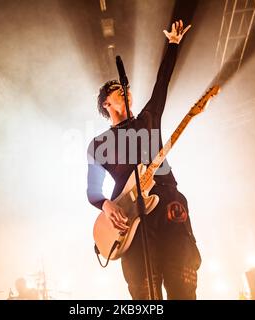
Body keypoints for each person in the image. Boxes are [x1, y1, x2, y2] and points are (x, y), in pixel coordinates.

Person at [87, 20, 201, 300]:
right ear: (106, 103)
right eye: (117, 89)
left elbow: (162, 85)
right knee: (144, 292)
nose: (124, 90)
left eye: (125, 88)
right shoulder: (98, 144)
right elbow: (92, 190)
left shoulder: (148, 120)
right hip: (131, 219)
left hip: (168, 203)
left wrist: (173, 45)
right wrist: (106, 204)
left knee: (182, 283)